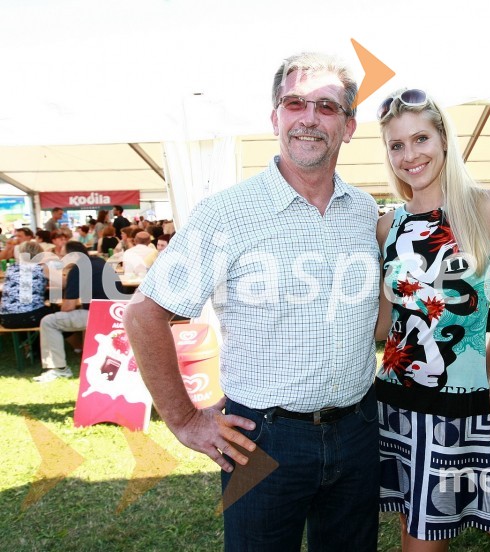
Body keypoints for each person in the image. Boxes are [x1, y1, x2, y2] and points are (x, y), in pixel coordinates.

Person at [124, 51, 380, 551]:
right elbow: (145, 316)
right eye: (295, 103)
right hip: (262, 439)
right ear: (275, 118)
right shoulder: (226, 213)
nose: (309, 118)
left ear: (348, 126)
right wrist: (185, 419)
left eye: (327, 108)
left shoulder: (363, 210)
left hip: (357, 430)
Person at [374, 89, 490, 549]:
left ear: (445, 140)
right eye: (397, 145)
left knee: (428, 536)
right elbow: (382, 324)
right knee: (411, 527)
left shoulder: (488, 208)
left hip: (454, 403)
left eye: (421, 139)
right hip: (393, 396)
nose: (410, 155)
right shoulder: (386, 224)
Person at [35, 240, 121, 382]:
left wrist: (55, 307)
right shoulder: (98, 262)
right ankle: (78, 349)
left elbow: (68, 307)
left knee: (48, 321)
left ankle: (59, 369)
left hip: (98, 315)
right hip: (115, 313)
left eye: (62, 256)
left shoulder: (77, 269)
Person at [0, 240, 51, 329]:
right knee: (57, 315)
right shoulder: (41, 268)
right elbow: (63, 283)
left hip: (6, 319)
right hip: (31, 316)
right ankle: (38, 342)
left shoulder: (11, 268)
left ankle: (27, 341)